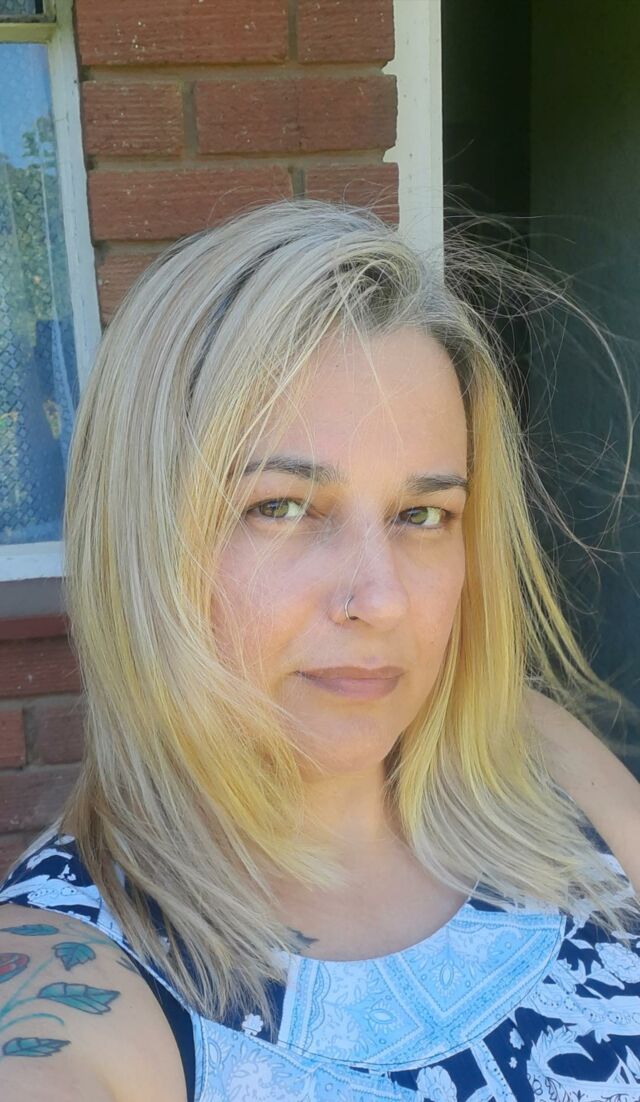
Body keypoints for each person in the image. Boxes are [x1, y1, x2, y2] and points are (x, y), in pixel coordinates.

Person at [0, 198, 639, 1102]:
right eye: (282, 507)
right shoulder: (68, 981)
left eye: (424, 515)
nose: (380, 600)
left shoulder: (534, 757)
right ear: (142, 543)